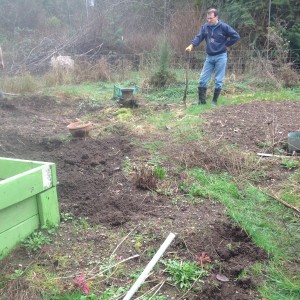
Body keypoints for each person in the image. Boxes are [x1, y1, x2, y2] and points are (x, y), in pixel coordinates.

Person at [185, 8, 240, 105]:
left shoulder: (224, 27)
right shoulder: (205, 27)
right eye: (208, 18)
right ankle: (202, 102)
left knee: (218, 80)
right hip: (209, 57)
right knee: (202, 79)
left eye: (211, 18)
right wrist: (192, 45)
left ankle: (214, 102)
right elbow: (199, 37)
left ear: (216, 17)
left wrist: (227, 44)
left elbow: (236, 36)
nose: (209, 20)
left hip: (221, 56)